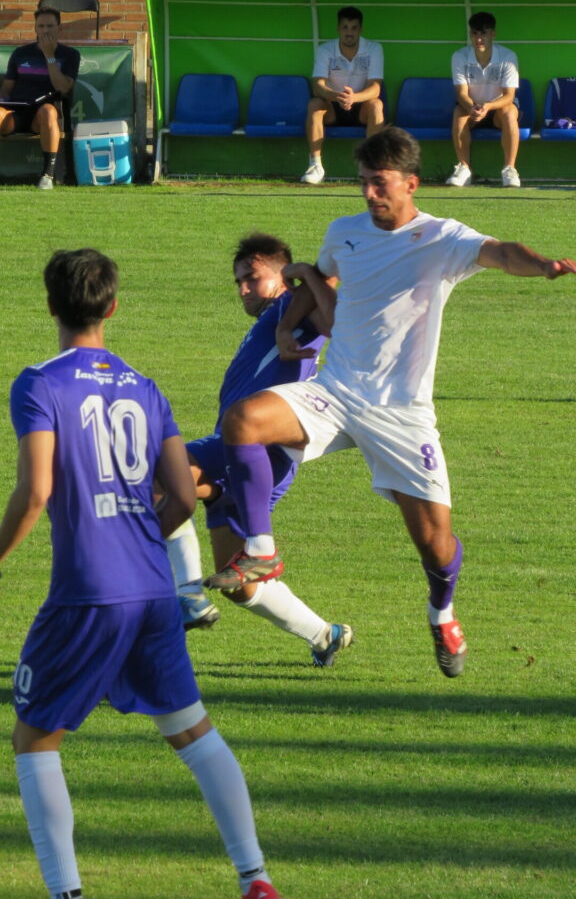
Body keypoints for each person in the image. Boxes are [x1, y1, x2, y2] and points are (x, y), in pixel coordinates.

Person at [205, 127, 576, 679]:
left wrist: (543, 264)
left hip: (401, 414)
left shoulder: (442, 237)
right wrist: (286, 326)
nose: (370, 196)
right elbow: (319, 276)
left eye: (380, 185)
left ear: (410, 183)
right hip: (335, 393)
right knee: (244, 420)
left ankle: (442, 611)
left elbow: (500, 252)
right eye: (363, 184)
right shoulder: (345, 231)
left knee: (435, 545)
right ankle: (260, 548)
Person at [0, 249, 279, 899]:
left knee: (35, 737)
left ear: (50, 306)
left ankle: (65, 890)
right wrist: (135, 540)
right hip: (154, 588)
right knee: (192, 731)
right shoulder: (145, 387)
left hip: (87, 593)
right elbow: (183, 497)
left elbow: (36, 491)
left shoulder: (39, 384)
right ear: (113, 307)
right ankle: (255, 877)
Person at [168, 232, 353, 667]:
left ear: (281, 275)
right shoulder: (273, 317)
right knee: (239, 585)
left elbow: (335, 301)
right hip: (241, 453)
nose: (243, 289)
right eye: (238, 282)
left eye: (252, 278)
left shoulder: (293, 303)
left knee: (161, 476)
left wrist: (304, 277)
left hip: (259, 450)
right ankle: (326, 634)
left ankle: (186, 595)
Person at [300, 5, 385, 185]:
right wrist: (337, 96)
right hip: (332, 106)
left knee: (377, 105)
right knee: (315, 104)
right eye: (345, 27)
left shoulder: (374, 49)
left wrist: (354, 98)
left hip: (361, 106)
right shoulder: (325, 50)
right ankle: (315, 165)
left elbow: (375, 88)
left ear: (360, 30)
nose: (349, 32)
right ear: (338, 28)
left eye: (354, 28)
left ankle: (373, 167)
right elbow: (318, 86)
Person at [0, 7, 80, 190]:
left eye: (50, 26)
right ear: (35, 28)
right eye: (41, 26)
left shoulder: (70, 55)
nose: (45, 30)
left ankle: (47, 175)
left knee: (48, 111)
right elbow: (6, 88)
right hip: (16, 113)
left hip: (42, 116)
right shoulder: (20, 54)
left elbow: (63, 88)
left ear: (60, 29)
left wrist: (49, 56)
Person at [446, 11, 522, 189]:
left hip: (497, 107)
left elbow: (509, 96)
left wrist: (488, 106)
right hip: (472, 107)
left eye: (484, 33)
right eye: (475, 33)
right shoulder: (459, 56)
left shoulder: (508, 57)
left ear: (493, 34)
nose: (479, 39)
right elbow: (461, 94)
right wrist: (473, 107)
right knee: (459, 112)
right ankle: (464, 168)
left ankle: (509, 169)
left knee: (509, 111)